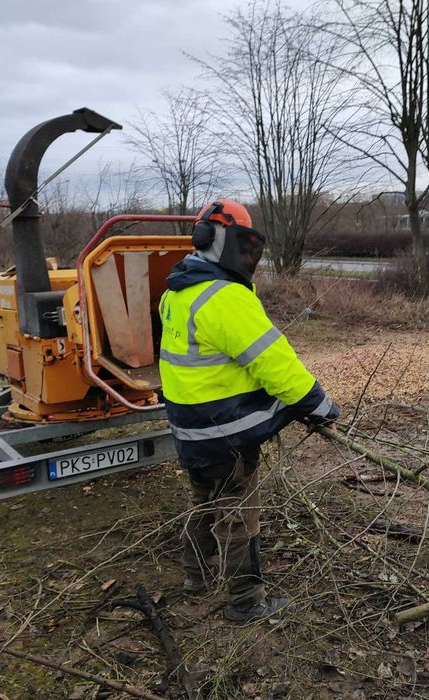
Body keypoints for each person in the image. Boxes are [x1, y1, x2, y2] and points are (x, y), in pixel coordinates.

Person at [159, 199, 339, 622]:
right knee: (238, 511)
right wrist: (320, 406)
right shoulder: (224, 297)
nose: (246, 256)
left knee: (202, 499)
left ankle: (195, 575)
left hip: (190, 426)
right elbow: (274, 363)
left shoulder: (177, 290)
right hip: (226, 428)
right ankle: (246, 601)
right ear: (216, 239)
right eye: (241, 244)